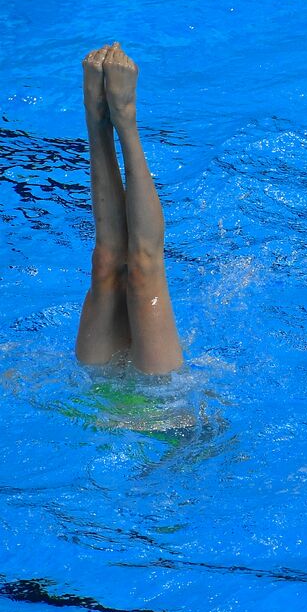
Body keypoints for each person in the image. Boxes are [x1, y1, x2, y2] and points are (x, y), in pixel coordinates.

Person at [75, 43, 183, 375]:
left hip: (97, 387)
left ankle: (98, 116)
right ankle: (123, 117)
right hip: (162, 396)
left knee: (106, 262)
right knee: (143, 270)